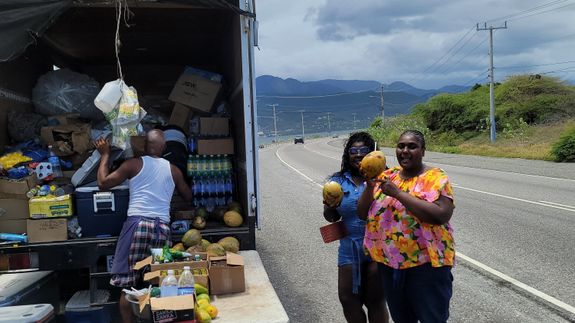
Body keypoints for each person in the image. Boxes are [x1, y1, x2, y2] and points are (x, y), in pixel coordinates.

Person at [95, 129, 193, 323]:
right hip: (162, 230)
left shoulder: (133, 164)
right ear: (164, 148)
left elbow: (103, 183)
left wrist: (105, 154)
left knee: (126, 285)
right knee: (160, 282)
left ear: (145, 146)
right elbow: (188, 197)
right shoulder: (174, 170)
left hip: (137, 226)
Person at [358, 130, 455, 323]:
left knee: (432, 318)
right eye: (401, 146)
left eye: (412, 146)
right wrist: (369, 187)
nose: (405, 151)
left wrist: (398, 194)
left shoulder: (435, 177)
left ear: (423, 151)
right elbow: (362, 213)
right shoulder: (387, 175)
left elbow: (441, 215)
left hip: (426, 267)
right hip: (390, 266)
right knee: (402, 319)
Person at [323, 132, 389, 323]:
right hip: (349, 248)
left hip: (379, 248)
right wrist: (330, 206)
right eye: (353, 150)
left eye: (363, 150)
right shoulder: (338, 181)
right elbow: (331, 218)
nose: (358, 154)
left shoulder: (385, 178)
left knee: (375, 300)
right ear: (347, 154)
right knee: (348, 299)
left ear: (373, 153)